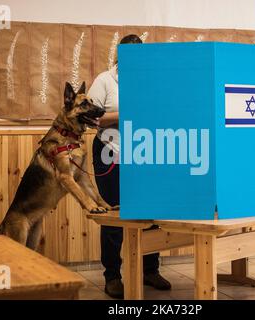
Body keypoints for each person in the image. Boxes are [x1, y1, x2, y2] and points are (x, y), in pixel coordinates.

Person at [88, 34, 171, 299]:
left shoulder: (150, 81)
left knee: (150, 211)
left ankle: (150, 269)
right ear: (119, 56)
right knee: (115, 214)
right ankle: (112, 276)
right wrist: (127, 115)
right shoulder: (104, 81)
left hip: (144, 152)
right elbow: (90, 117)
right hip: (109, 152)